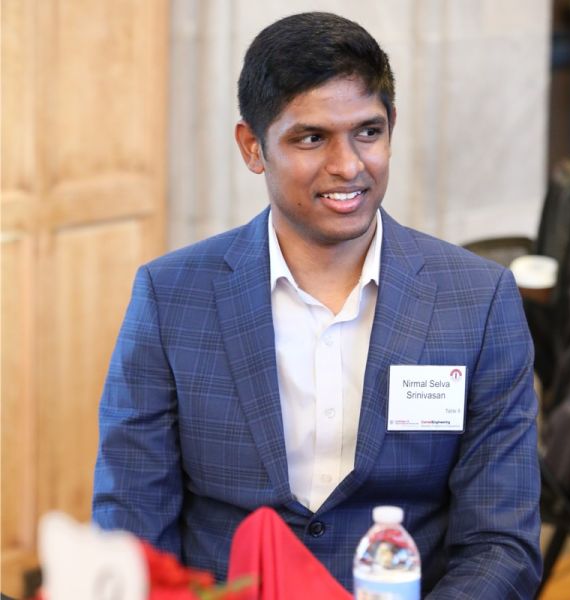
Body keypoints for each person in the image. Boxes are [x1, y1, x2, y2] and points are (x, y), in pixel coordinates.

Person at [93, 12, 542, 597]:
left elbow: (500, 543)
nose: (349, 165)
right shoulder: (172, 295)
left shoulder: (478, 300)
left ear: (391, 128)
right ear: (253, 147)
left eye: (368, 131)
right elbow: (132, 526)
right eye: (312, 138)